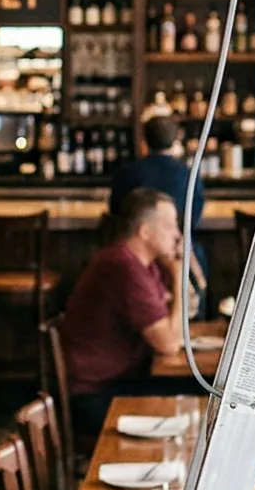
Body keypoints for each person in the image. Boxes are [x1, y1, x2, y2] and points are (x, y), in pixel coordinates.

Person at [53, 189, 186, 443]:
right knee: (198, 396)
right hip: (97, 394)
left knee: (204, 390)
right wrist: (179, 277)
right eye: (170, 226)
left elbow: (173, 324)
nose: (178, 235)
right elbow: (170, 343)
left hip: (122, 380)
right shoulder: (124, 267)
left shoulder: (141, 265)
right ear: (145, 231)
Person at [111, 115, 199, 216]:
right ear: (175, 139)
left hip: (139, 226)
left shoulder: (126, 173)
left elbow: (116, 212)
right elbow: (195, 212)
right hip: (175, 226)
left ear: (144, 139)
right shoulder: (188, 174)